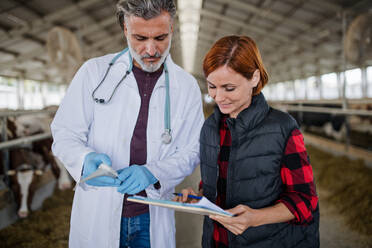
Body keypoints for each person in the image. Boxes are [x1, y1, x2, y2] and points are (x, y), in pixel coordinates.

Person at [51, 0, 204, 247]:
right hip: (98, 211)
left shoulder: (186, 86)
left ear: (172, 28)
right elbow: (64, 133)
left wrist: (153, 172)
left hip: (151, 215)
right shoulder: (94, 72)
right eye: (140, 38)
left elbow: (192, 150)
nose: (151, 49)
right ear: (125, 29)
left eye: (160, 37)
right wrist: (83, 160)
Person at [176, 35, 319, 247]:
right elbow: (215, 183)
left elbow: (305, 200)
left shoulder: (282, 128)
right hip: (216, 240)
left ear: (254, 78)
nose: (218, 97)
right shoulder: (209, 128)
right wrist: (197, 198)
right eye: (212, 86)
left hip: (268, 241)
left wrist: (255, 218)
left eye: (229, 88)